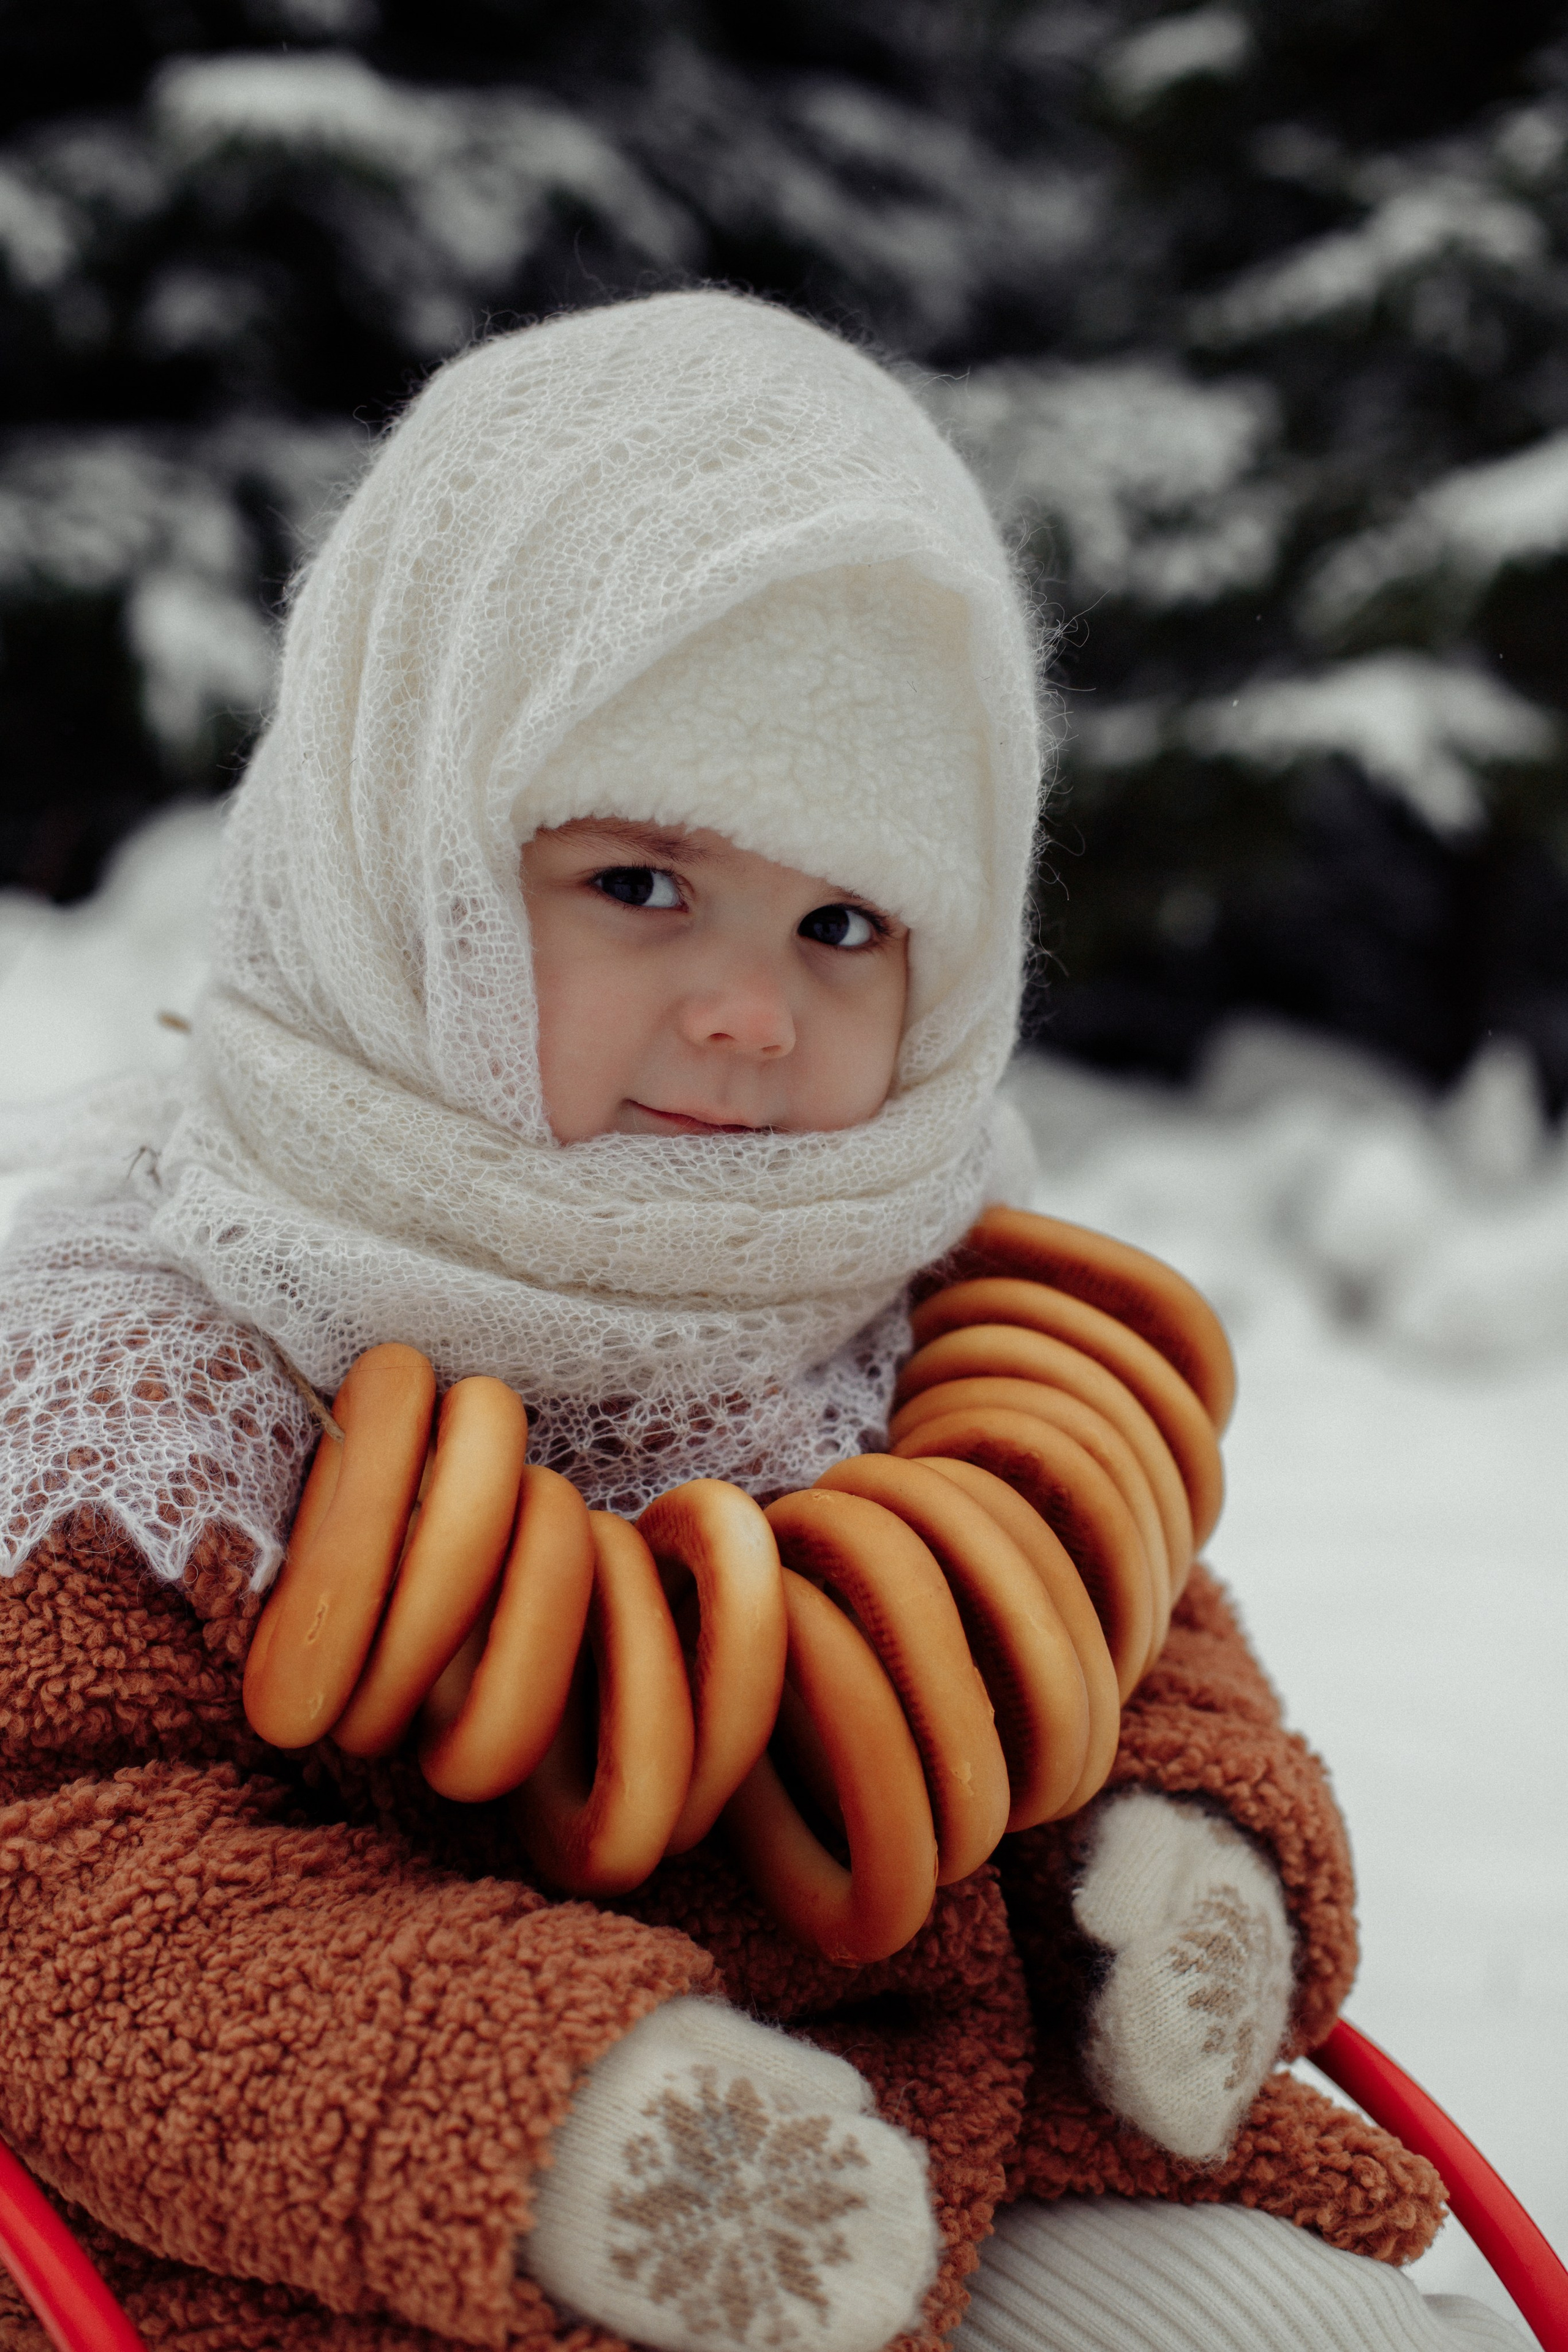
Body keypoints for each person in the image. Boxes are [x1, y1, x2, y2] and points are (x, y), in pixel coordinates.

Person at [0, 292, 1520, 2352]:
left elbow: (1123, 1635)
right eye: (641, 884)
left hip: (966, 2151)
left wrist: (1179, 1864)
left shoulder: (923, 1305)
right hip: (385, 2254)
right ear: (411, 858)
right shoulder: (152, 1375)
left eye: (844, 925)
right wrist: (551, 2114)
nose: (747, 1011)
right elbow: (70, 1902)